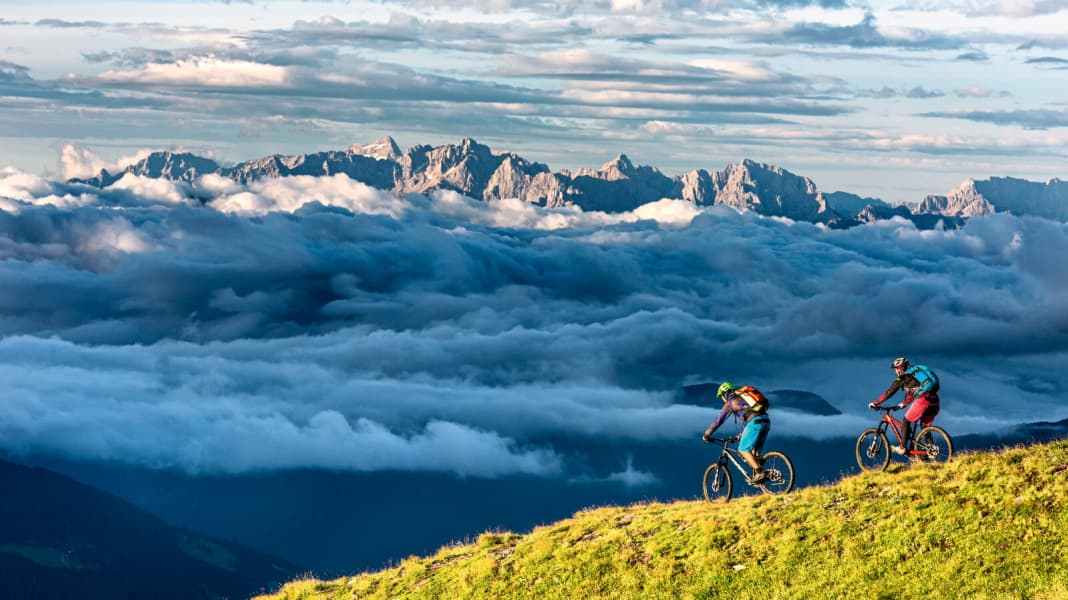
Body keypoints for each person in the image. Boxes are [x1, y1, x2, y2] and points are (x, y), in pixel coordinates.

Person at [869, 357, 941, 455]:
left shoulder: (902, 378)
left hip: (923, 400)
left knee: (906, 420)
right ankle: (930, 449)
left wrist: (875, 403)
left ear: (900, 368)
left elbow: (889, 392)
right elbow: (913, 394)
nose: (895, 371)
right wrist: (902, 404)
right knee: (924, 426)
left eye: (896, 369)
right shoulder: (914, 375)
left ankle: (902, 447)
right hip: (935, 400)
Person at [702, 381, 771, 483]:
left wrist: (707, 435)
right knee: (754, 453)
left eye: (722, 396)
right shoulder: (744, 398)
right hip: (765, 421)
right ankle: (764, 476)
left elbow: (718, 421)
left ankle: (760, 472)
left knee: (743, 449)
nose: (723, 399)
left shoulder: (730, 403)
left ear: (725, 394)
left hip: (755, 422)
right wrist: (741, 434)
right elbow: (747, 417)